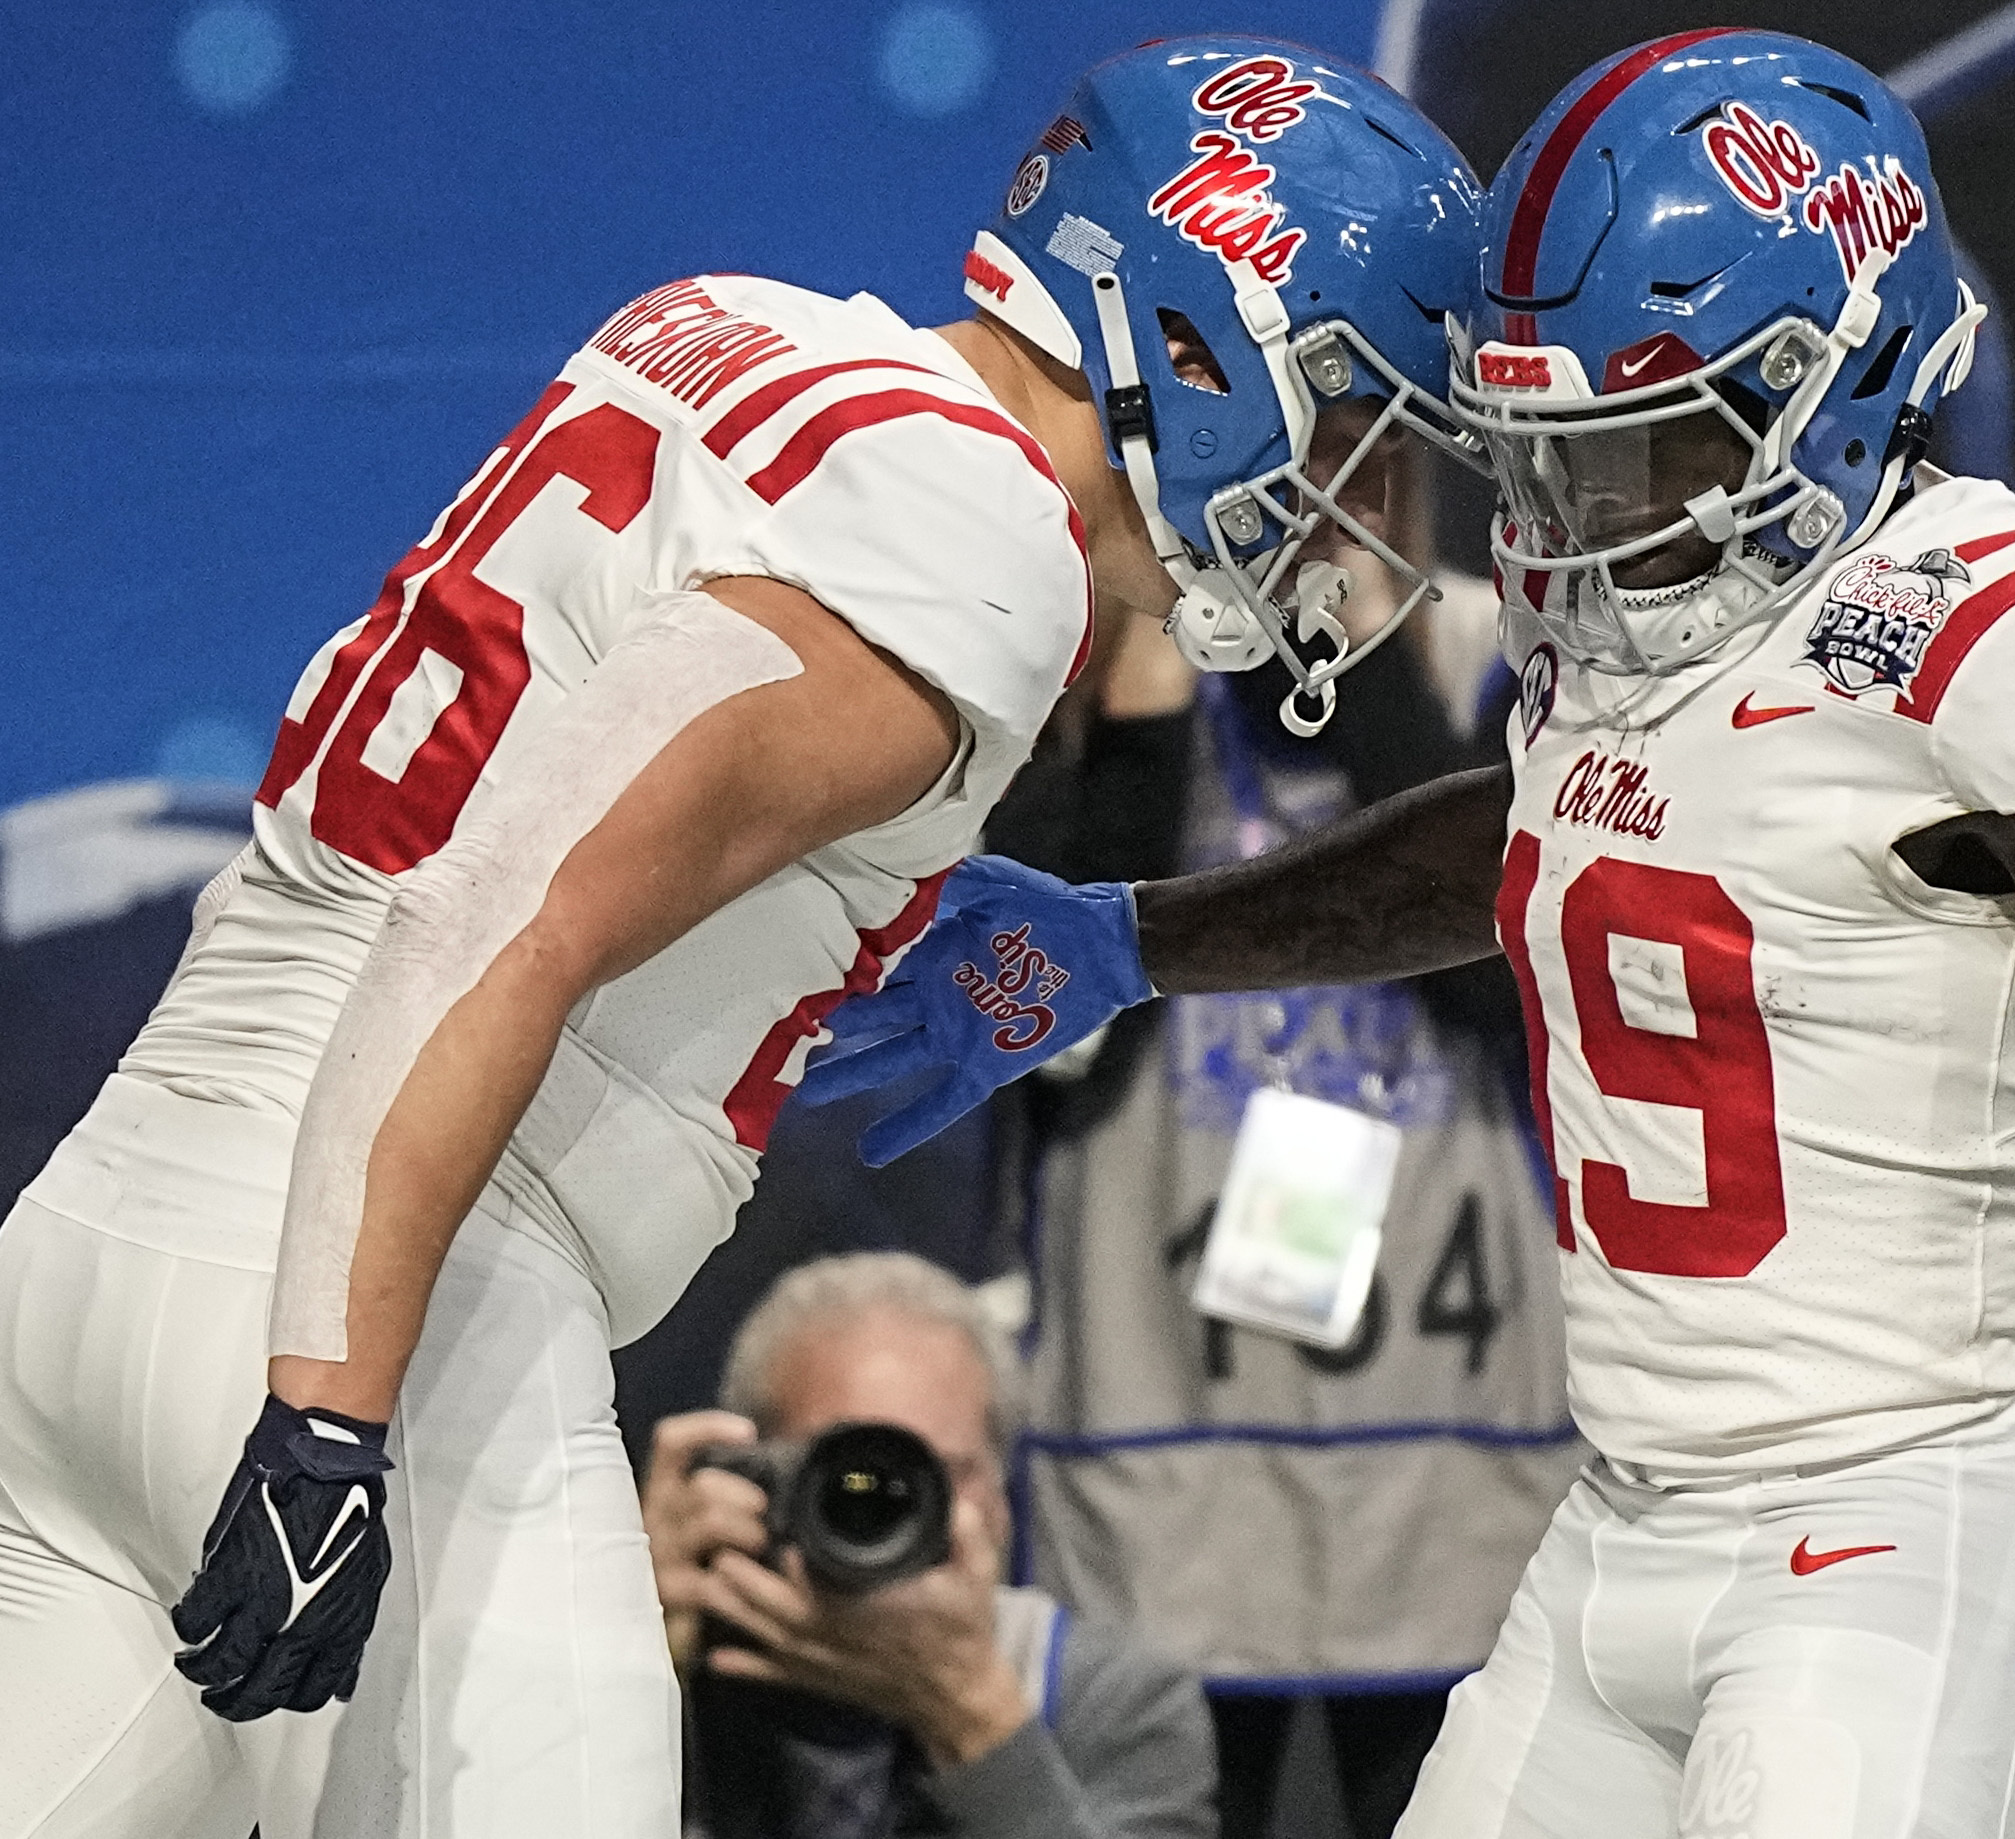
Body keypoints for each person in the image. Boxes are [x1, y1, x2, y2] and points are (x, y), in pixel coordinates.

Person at [800, 30, 2015, 1837]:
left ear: (1830, 377)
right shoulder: (1646, 613)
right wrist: (1136, 936)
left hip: (1896, 1512)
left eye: (1640, 438)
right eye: (1545, 445)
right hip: (1617, 1508)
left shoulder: (1987, 639)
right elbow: (1533, 840)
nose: (1575, 510)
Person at [0, 37, 1482, 1838]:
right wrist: (328, 1411)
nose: (1338, 477)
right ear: (1189, 336)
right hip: (391, 1261)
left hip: (113, 1218)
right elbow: (503, 904)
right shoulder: (986, 539)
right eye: (1335, 401)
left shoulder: (736, 326)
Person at [984, 564, 1575, 1839]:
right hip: (1169, 1431)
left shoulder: (1488, 650)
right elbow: (1053, 1046)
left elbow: (1511, 976)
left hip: (1447, 1440)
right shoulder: (1070, 680)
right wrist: (1140, 710)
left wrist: (1368, 648)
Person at [642, 1251, 1215, 1839]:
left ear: (999, 1498)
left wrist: (971, 1711)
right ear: (748, 1471)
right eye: (844, 1468)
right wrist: (624, 1658)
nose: (883, 1503)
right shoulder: (672, 1658)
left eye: (936, 1471)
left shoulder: (1108, 1698)